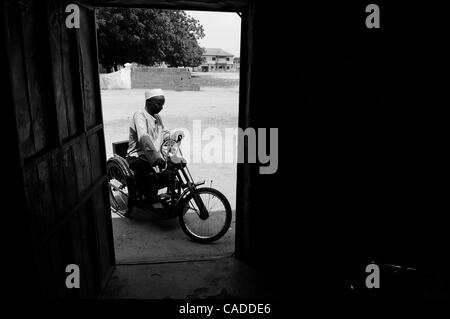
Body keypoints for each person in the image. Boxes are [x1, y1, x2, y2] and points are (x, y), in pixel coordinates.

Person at [126, 88, 184, 211]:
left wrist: (175, 135)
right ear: (149, 102)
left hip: (153, 154)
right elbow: (144, 137)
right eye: (159, 104)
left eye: (162, 105)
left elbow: (164, 133)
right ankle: (149, 200)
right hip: (137, 155)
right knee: (149, 169)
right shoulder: (139, 115)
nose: (161, 107)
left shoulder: (157, 117)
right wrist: (156, 157)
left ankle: (171, 194)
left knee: (175, 166)